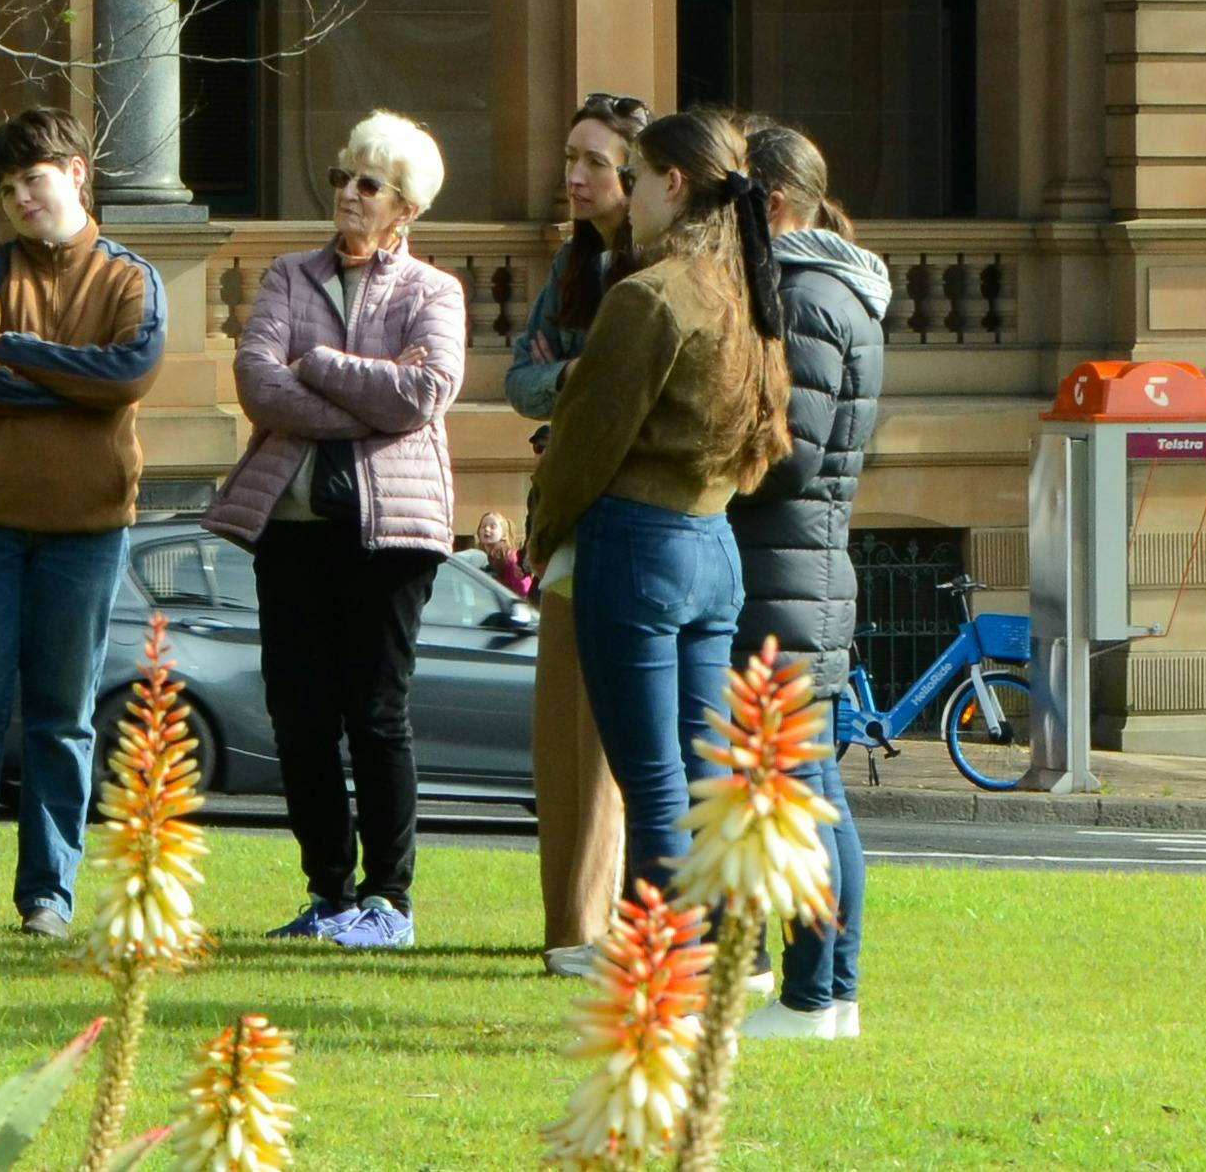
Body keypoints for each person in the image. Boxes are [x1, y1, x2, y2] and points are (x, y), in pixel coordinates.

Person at [204, 112, 468, 951]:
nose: (348, 193)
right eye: (341, 177)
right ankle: (327, 893)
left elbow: (424, 393)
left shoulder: (434, 291)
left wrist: (315, 366)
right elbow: (256, 382)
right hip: (290, 527)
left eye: (368, 183)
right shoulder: (288, 274)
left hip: (391, 534)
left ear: (405, 208)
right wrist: (365, 400)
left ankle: (388, 900)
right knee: (299, 715)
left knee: (375, 712)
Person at [524, 108, 792, 903]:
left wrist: (542, 532)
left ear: (672, 184)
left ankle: (665, 954)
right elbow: (766, 430)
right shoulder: (743, 286)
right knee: (704, 776)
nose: (627, 190)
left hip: (637, 543)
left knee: (651, 781)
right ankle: (723, 945)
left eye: (634, 175)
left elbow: (585, 441)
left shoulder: (650, 294)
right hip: (713, 540)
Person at [0, 107, 165, 937]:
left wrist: (21, 351)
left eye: (32, 178)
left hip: (87, 532)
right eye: (5, 188)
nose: (20, 198)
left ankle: (47, 898)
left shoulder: (130, 278)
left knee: (63, 720)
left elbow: (129, 371)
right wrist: (77, 389)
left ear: (75, 172)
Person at [732, 121, 885, 1044]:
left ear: (774, 201)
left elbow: (790, 457)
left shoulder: (805, 295)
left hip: (783, 573)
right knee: (814, 788)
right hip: (801, 571)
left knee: (796, 793)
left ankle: (809, 995)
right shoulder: (832, 290)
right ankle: (831, 994)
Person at [502, 91, 650, 978]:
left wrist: (570, 375)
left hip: (630, 511)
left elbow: (627, 386)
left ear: (637, 174)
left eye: (594, 161)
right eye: (570, 158)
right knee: (561, 732)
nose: (574, 176)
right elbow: (519, 380)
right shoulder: (570, 262)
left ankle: (608, 927)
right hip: (564, 508)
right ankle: (568, 929)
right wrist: (571, 380)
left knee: (610, 739)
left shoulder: (656, 264)